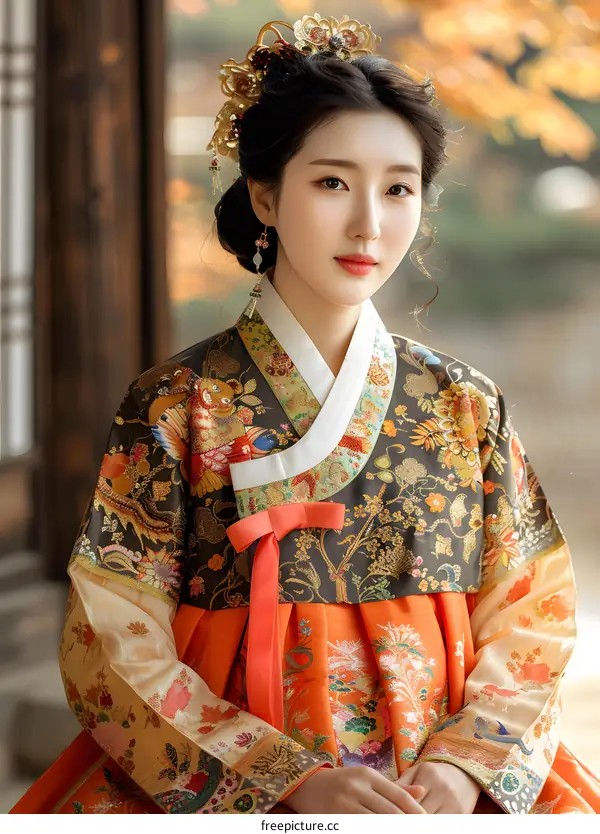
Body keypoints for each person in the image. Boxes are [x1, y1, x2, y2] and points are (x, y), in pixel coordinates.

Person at [11, 12, 600, 815]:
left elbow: (532, 609)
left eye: (398, 188)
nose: (369, 223)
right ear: (264, 194)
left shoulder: (463, 404)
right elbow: (111, 641)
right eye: (332, 182)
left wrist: (466, 763)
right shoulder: (178, 404)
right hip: (234, 772)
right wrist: (286, 778)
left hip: (435, 784)